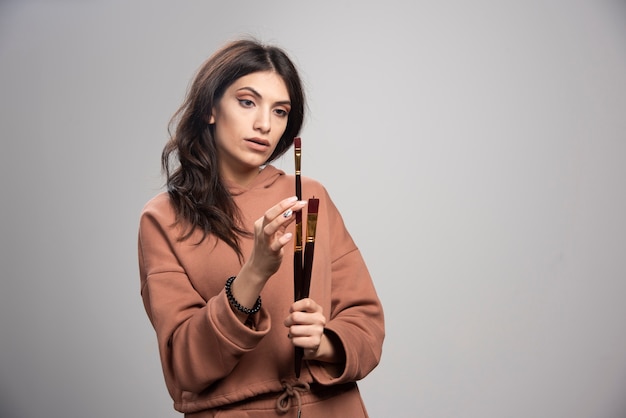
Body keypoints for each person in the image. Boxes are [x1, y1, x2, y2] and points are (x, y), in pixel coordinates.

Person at [137, 38, 384, 417]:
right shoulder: (164, 218)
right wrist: (254, 272)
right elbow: (185, 366)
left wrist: (324, 344)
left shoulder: (309, 196)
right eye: (247, 102)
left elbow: (365, 322)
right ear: (211, 109)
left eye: (280, 111)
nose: (264, 124)